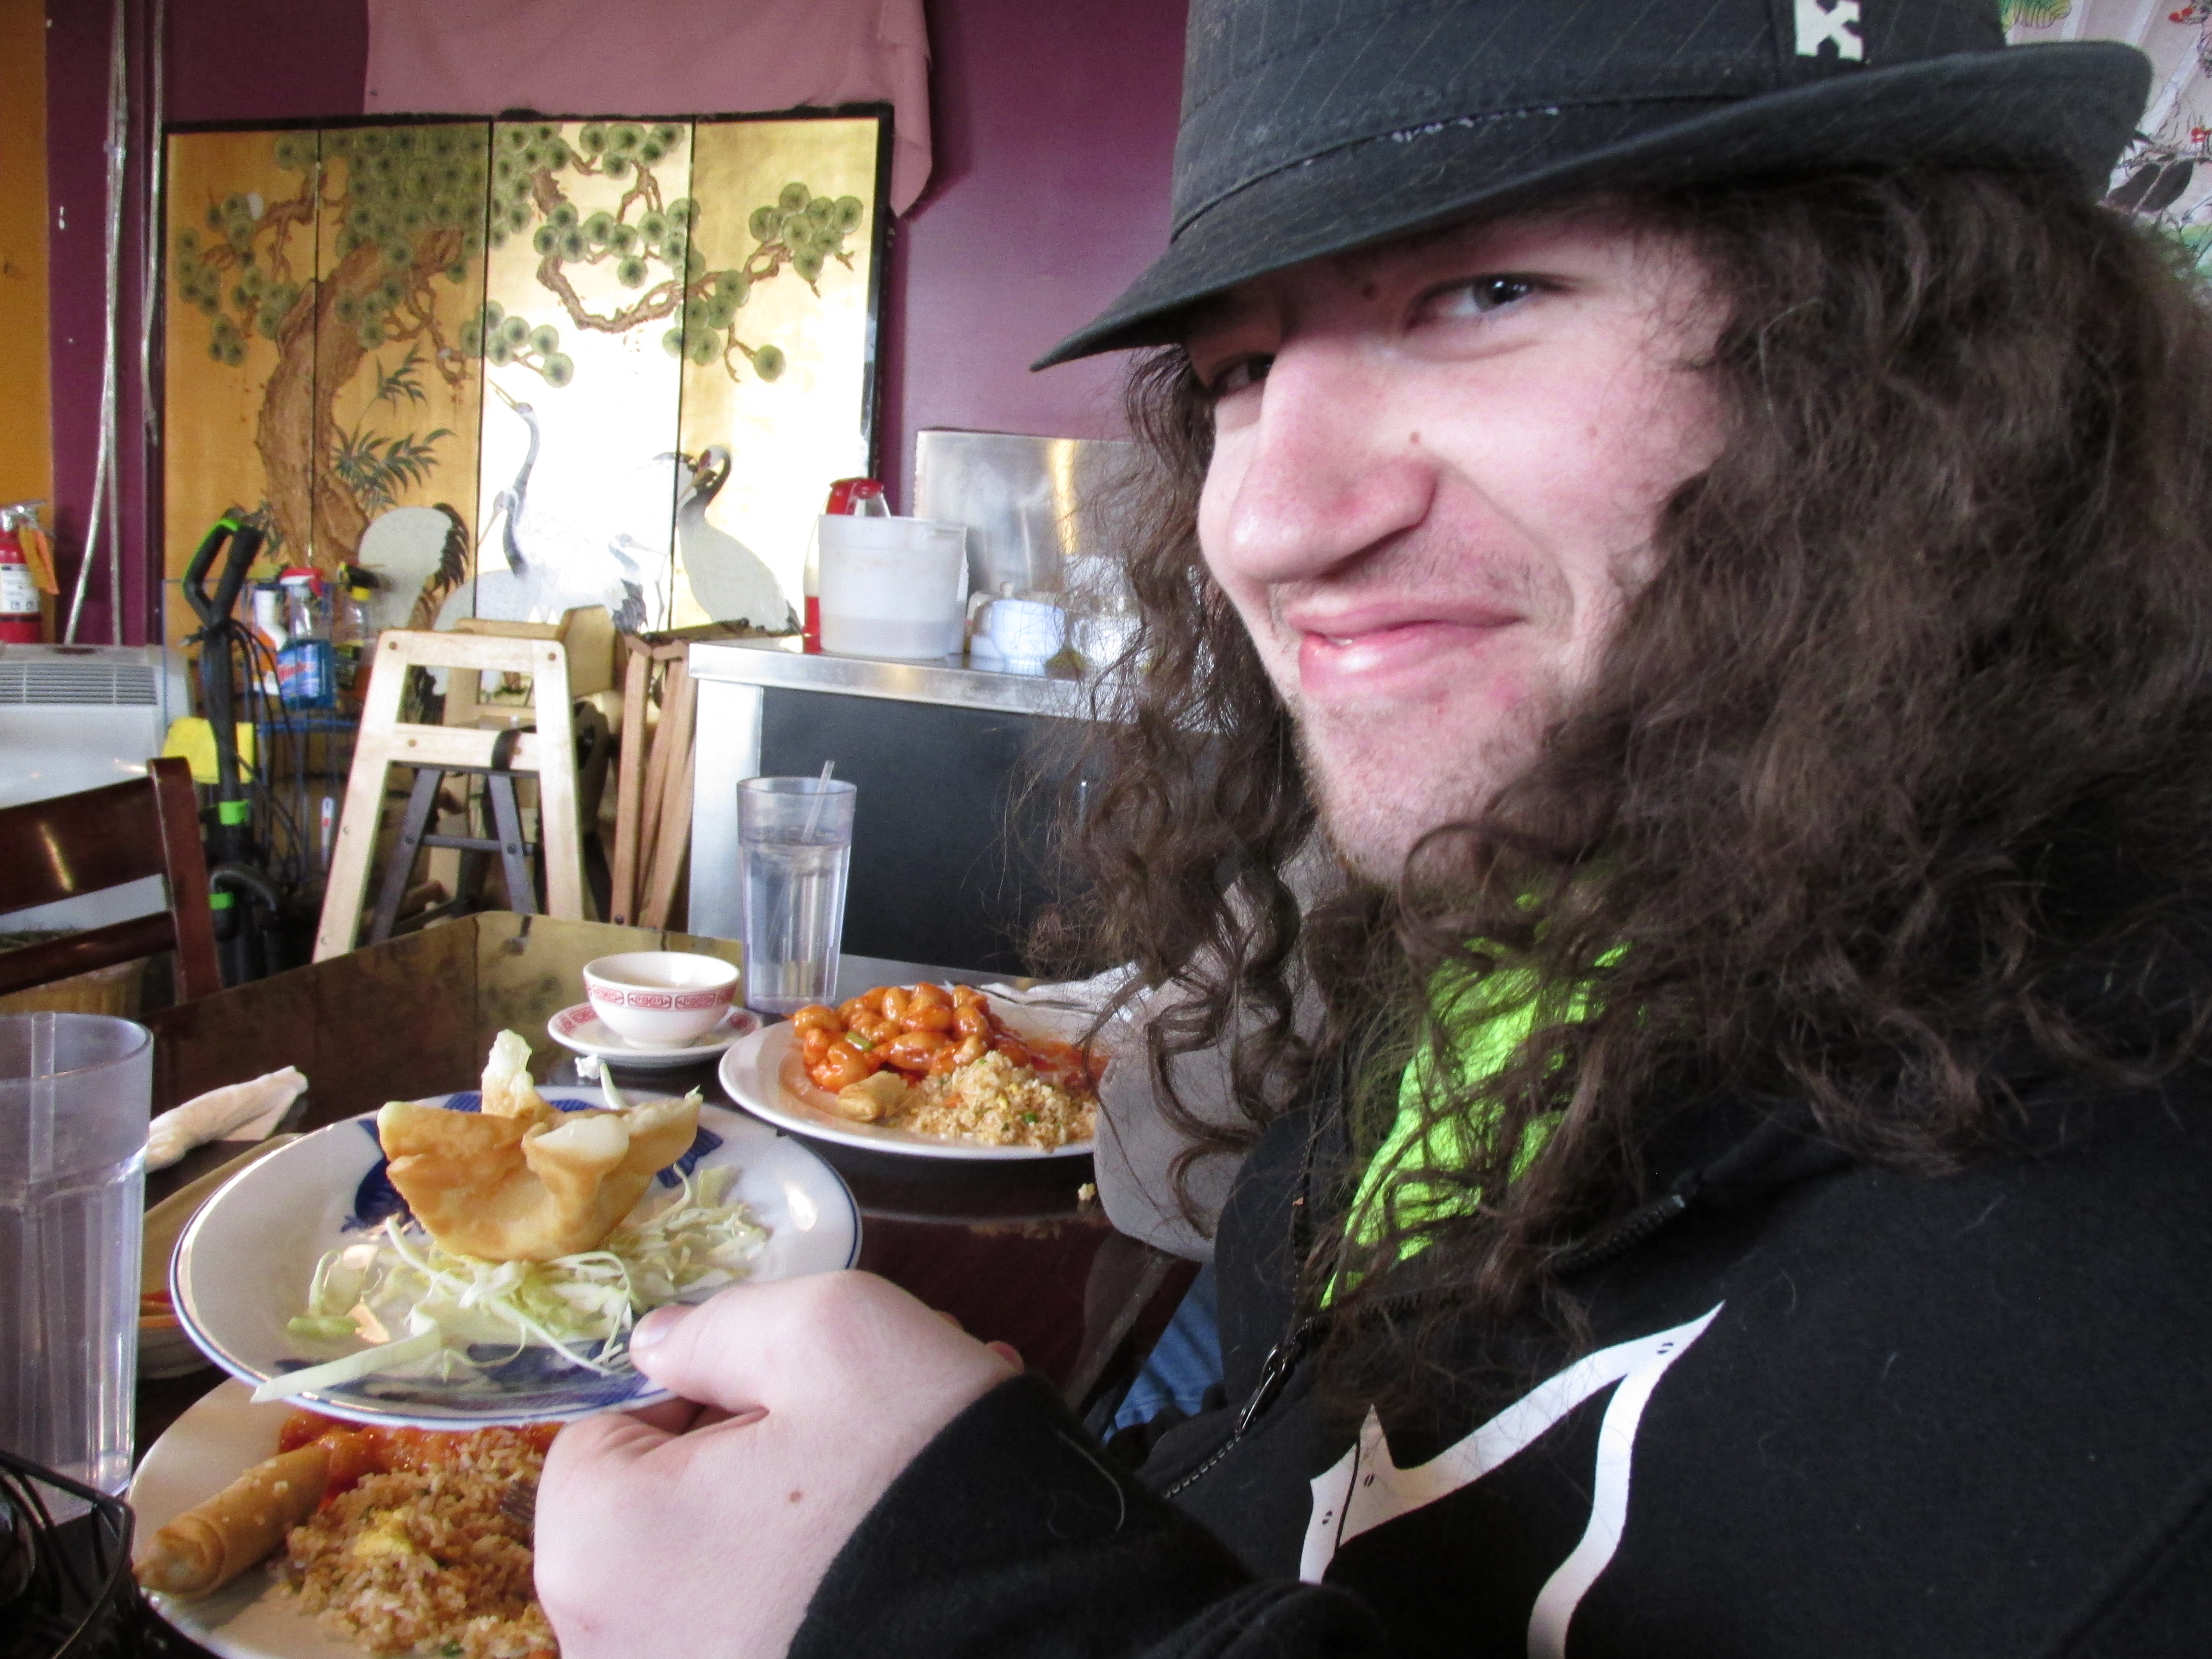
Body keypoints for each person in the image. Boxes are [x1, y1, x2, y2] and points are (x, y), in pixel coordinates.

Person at [535, 2, 2212, 1653]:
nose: (1270, 523)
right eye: (1242, 369)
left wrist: (949, 1611)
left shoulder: (2129, 1310)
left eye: (1484, 294)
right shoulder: (1522, 904)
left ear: (1920, 346)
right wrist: (1033, 1502)